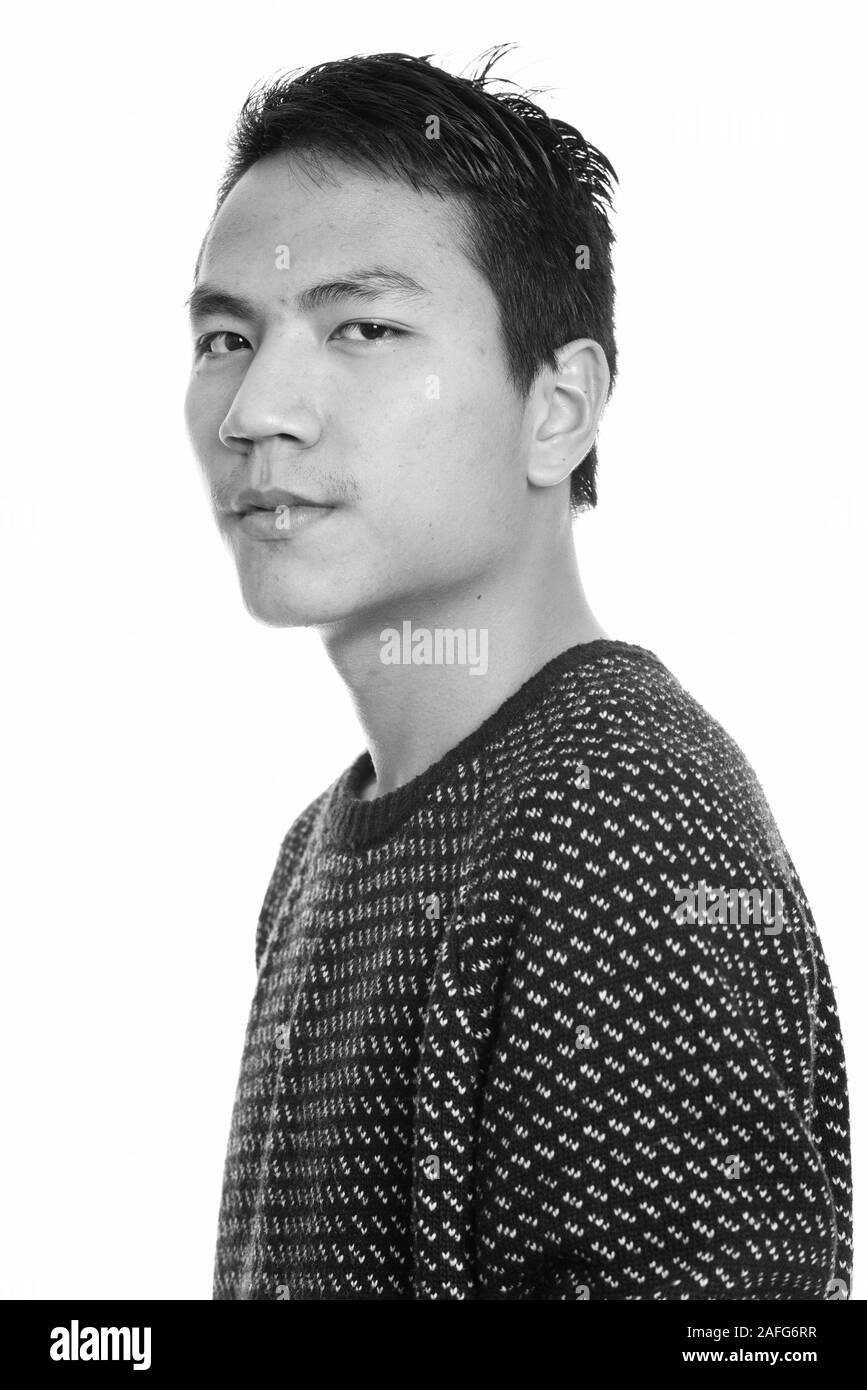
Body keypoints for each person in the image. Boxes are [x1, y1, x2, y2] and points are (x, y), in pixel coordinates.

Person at [184, 46, 852, 1300]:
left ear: (558, 409)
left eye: (364, 328)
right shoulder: (316, 854)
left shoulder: (621, 820)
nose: (255, 409)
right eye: (229, 336)